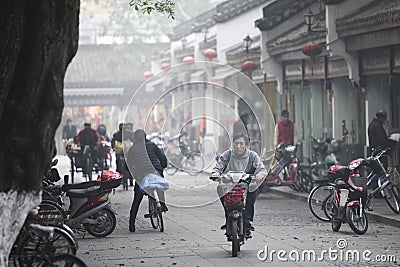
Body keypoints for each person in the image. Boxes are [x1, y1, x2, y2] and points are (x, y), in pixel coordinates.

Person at [211, 133, 267, 232]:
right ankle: (228, 216)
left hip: (246, 183)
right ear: (233, 144)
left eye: (241, 143)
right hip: (230, 184)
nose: (238, 146)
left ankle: (248, 219)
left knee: (253, 188)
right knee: (220, 187)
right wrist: (215, 173)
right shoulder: (227, 155)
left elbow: (261, 169)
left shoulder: (252, 156)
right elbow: (218, 167)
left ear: (246, 145)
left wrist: (259, 174)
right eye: (236, 143)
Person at [127, 129, 168, 232]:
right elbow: (162, 158)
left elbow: (129, 164)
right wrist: (162, 166)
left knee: (137, 199)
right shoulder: (152, 145)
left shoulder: (133, 149)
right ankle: (162, 204)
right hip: (155, 170)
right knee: (159, 185)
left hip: (141, 175)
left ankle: (131, 225)